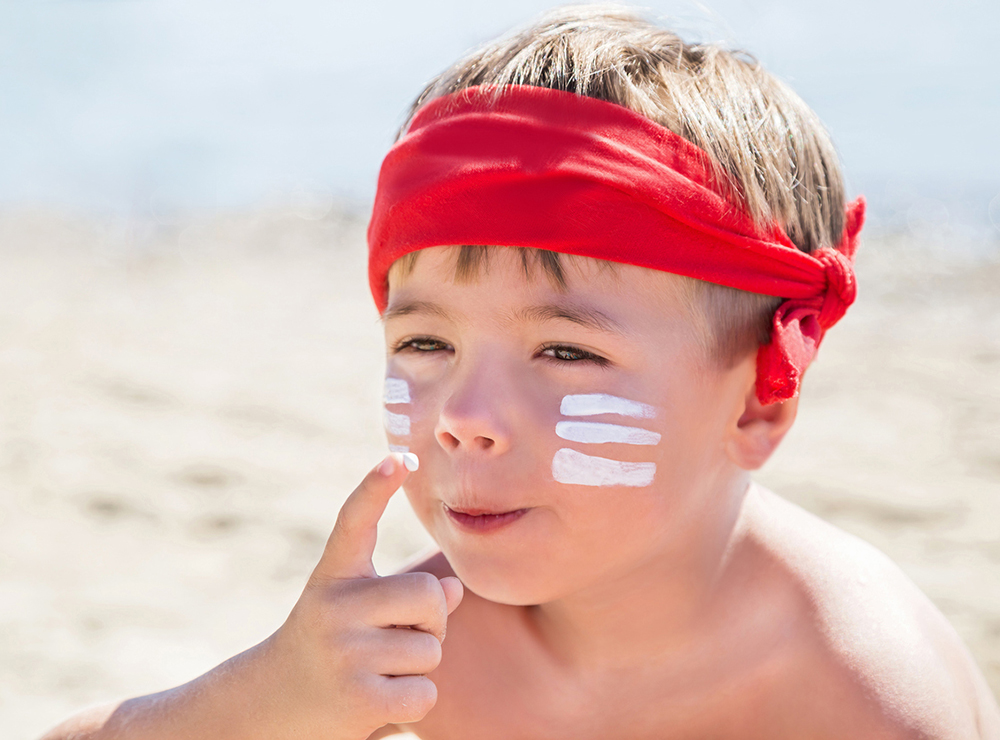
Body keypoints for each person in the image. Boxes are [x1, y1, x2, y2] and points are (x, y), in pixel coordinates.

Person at [43, 5, 999, 739]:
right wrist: (268, 695)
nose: (464, 415)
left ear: (758, 399)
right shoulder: (420, 647)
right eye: (425, 343)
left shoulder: (861, 695)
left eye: (566, 351)